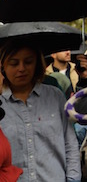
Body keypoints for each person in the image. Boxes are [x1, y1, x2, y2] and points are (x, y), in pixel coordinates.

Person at [0, 41, 80, 182]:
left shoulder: (55, 96)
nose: (22, 68)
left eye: (28, 62)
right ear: (2, 66)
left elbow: (70, 144)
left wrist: (73, 178)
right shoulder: (0, 104)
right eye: (14, 63)